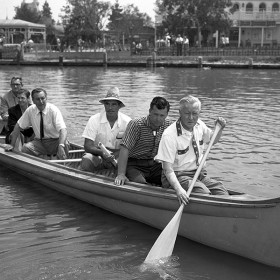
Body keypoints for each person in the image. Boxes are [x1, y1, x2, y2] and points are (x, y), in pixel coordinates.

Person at [155, 95, 229, 205]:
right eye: (187, 113)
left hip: (198, 174)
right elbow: (167, 170)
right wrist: (179, 190)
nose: (191, 118)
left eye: (194, 113)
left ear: (199, 113)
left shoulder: (200, 125)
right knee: (203, 193)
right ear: (180, 112)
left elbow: (212, 141)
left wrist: (220, 129)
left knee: (222, 191)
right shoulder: (169, 135)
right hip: (177, 176)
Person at [114, 96, 173, 186]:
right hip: (133, 164)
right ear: (149, 111)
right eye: (155, 114)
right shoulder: (136, 124)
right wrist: (121, 174)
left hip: (155, 164)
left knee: (171, 180)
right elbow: (124, 148)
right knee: (140, 184)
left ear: (166, 115)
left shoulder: (169, 125)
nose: (158, 119)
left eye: (162, 116)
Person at [5, 88, 68, 160]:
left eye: (43, 98)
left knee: (65, 143)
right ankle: (45, 159)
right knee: (26, 148)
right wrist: (12, 145)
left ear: (46, 98)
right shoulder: (31, 110)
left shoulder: (53, 110)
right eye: (38, 99)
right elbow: (18, 126)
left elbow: (63, 129)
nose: (41, 101)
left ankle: (61, 163)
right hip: (40, 142)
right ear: (33, 100)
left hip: (55, 141)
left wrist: (61, 145)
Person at [80, 87, 131, 172]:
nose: (110, 107)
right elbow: (87, 146)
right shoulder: (94, 119)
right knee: (86, 160)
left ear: (119, 106)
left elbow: (130, 147)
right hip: (98, 155)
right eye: (107, 104)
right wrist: (102, 153)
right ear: (104, 105)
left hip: (119, 156)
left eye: (114, 104)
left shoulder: (127, 122)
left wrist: (116, 155)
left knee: (132, 164)